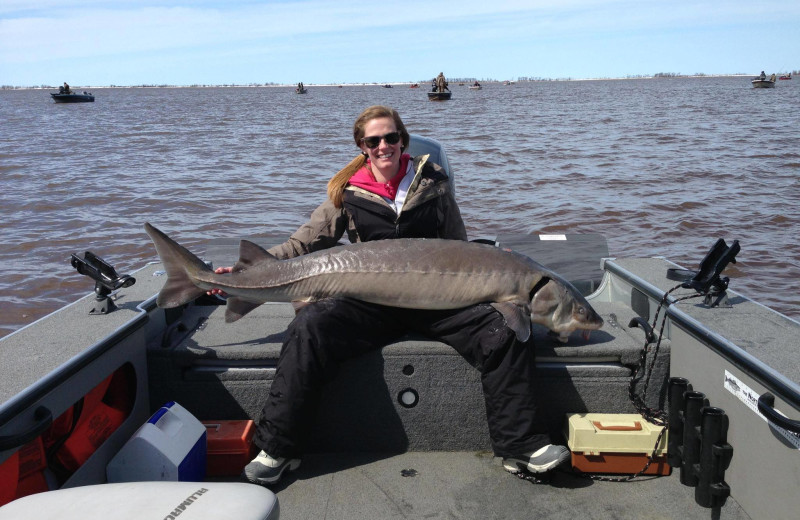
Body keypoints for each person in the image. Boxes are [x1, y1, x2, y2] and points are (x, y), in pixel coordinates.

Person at [211, 105, 570, 486]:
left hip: (438, 302)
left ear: (403, 139)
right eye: (374, 140)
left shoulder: (434, 185)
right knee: (308, 326)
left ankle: (521, 446)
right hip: (371, 305)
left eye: (391, 137)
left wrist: (552, 311)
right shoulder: (346, 195)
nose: (384, 145)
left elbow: (460, 247)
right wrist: (245, 275)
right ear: (362, 147)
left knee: (506, 329)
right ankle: (279, 448)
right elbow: (301, 244)